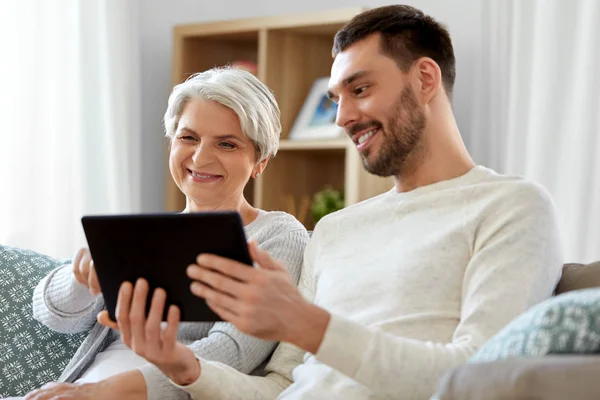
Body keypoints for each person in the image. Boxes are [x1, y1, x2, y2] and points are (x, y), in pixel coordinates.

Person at [24, 67, 310, 400]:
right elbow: (52, 317)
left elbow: (233, 352)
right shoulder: (145, 233)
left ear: (260, 161)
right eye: (188, 137)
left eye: (227, 144)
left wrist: (100, 391)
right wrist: (83, 274)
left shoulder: (277, 235)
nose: (201, 157)